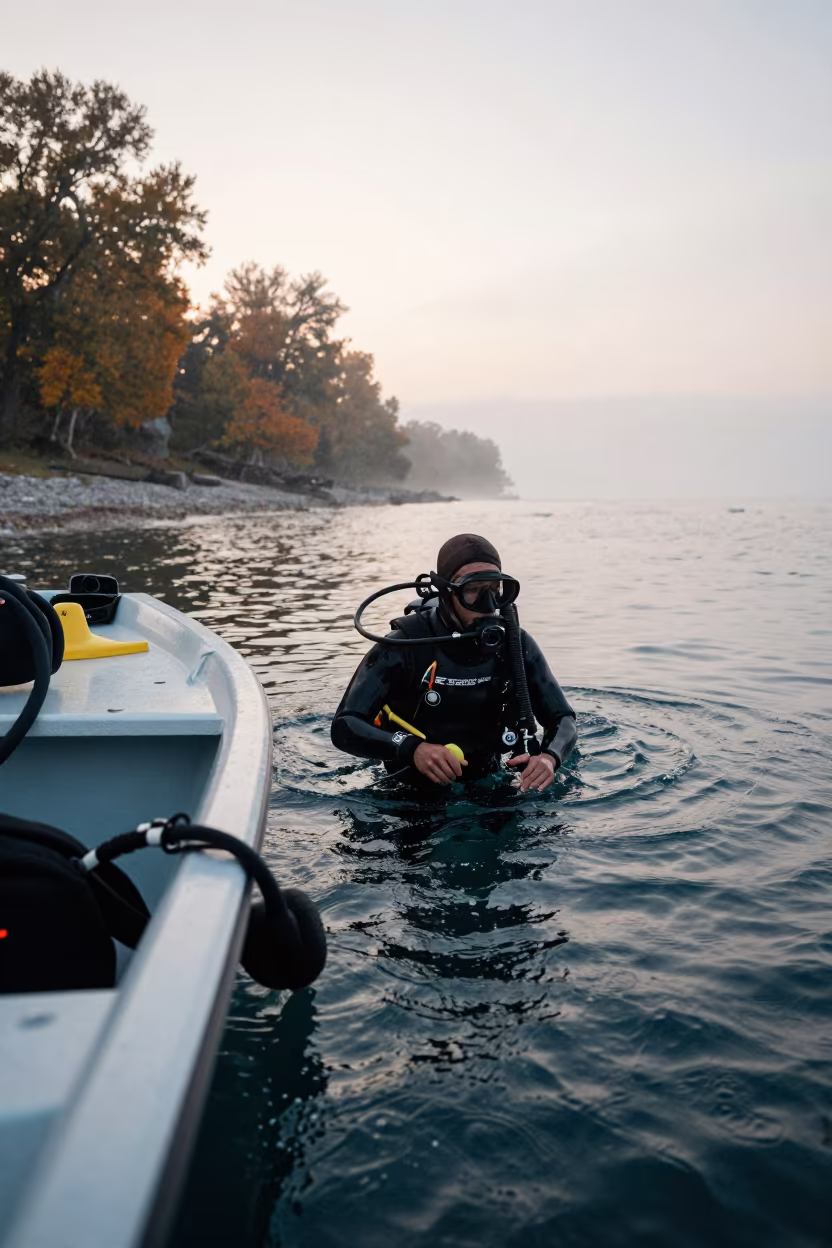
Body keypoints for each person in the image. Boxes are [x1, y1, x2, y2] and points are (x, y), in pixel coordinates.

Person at [330, 533, 577, 792]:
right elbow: (345, 725)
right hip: (407, 786)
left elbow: (563, 718)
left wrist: (550, 758)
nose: (487, 605)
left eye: (494, 590)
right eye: (472, 590)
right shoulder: (404, 645)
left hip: (491, 780)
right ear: (447, 592)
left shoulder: (515, 644)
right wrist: (411, 749)